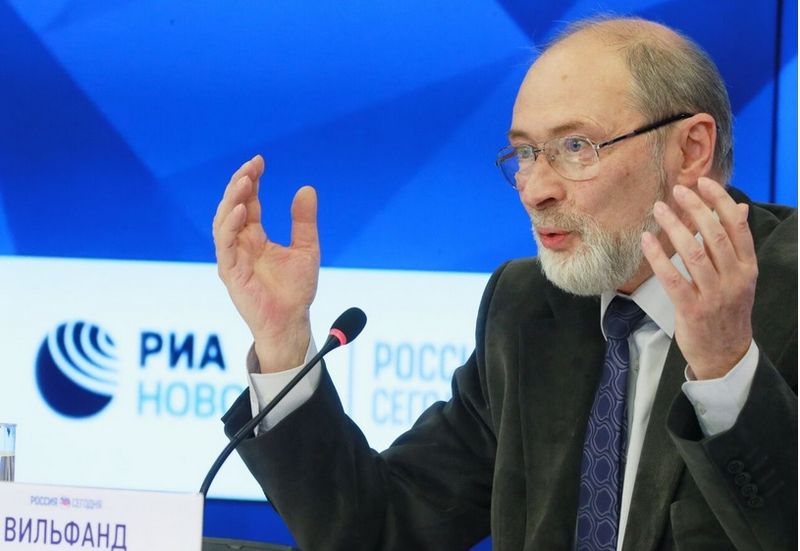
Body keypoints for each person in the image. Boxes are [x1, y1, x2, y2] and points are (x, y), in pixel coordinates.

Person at [212, 16, 797, 551]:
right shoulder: (526, 308)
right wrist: (283, 339)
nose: (535, 190)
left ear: (690, 149)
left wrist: (725, 367)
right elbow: (383, 527)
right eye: (525, 153)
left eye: (576, 146)